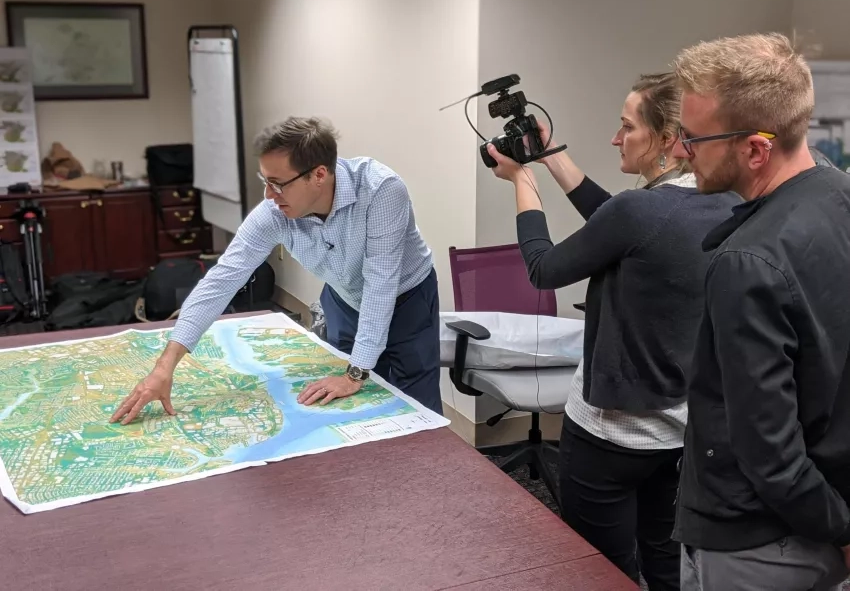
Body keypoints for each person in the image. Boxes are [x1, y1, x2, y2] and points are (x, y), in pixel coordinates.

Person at [484, 73, 738, 590]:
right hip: (683, 434)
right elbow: (621, 221)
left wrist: (522, 180)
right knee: (667, 564)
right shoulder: (726, 202)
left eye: (626, 127)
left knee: (598, 570)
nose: (615, 139)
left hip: (607, 438)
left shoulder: (640, 210)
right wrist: (549, 153)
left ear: (668, 140)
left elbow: (543, 268)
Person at [110, 116, 441, 425]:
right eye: (264, 181)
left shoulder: (381, 191)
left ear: (319, 175)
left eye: (278, 183)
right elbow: (221, 281)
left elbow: (380, 285)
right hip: (343, 299)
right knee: (351, 409)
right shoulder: (274, 212)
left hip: (406, 298)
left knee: (415, 406)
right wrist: (164, 367)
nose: (269, 195)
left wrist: (355, 373)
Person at [670, 32, 850, 591]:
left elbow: (769, 455)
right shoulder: (840, 195)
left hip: (761, 546)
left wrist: (843, 533)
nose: (679, 152)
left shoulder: (748, 263)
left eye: (692, 138)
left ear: (755, 149)